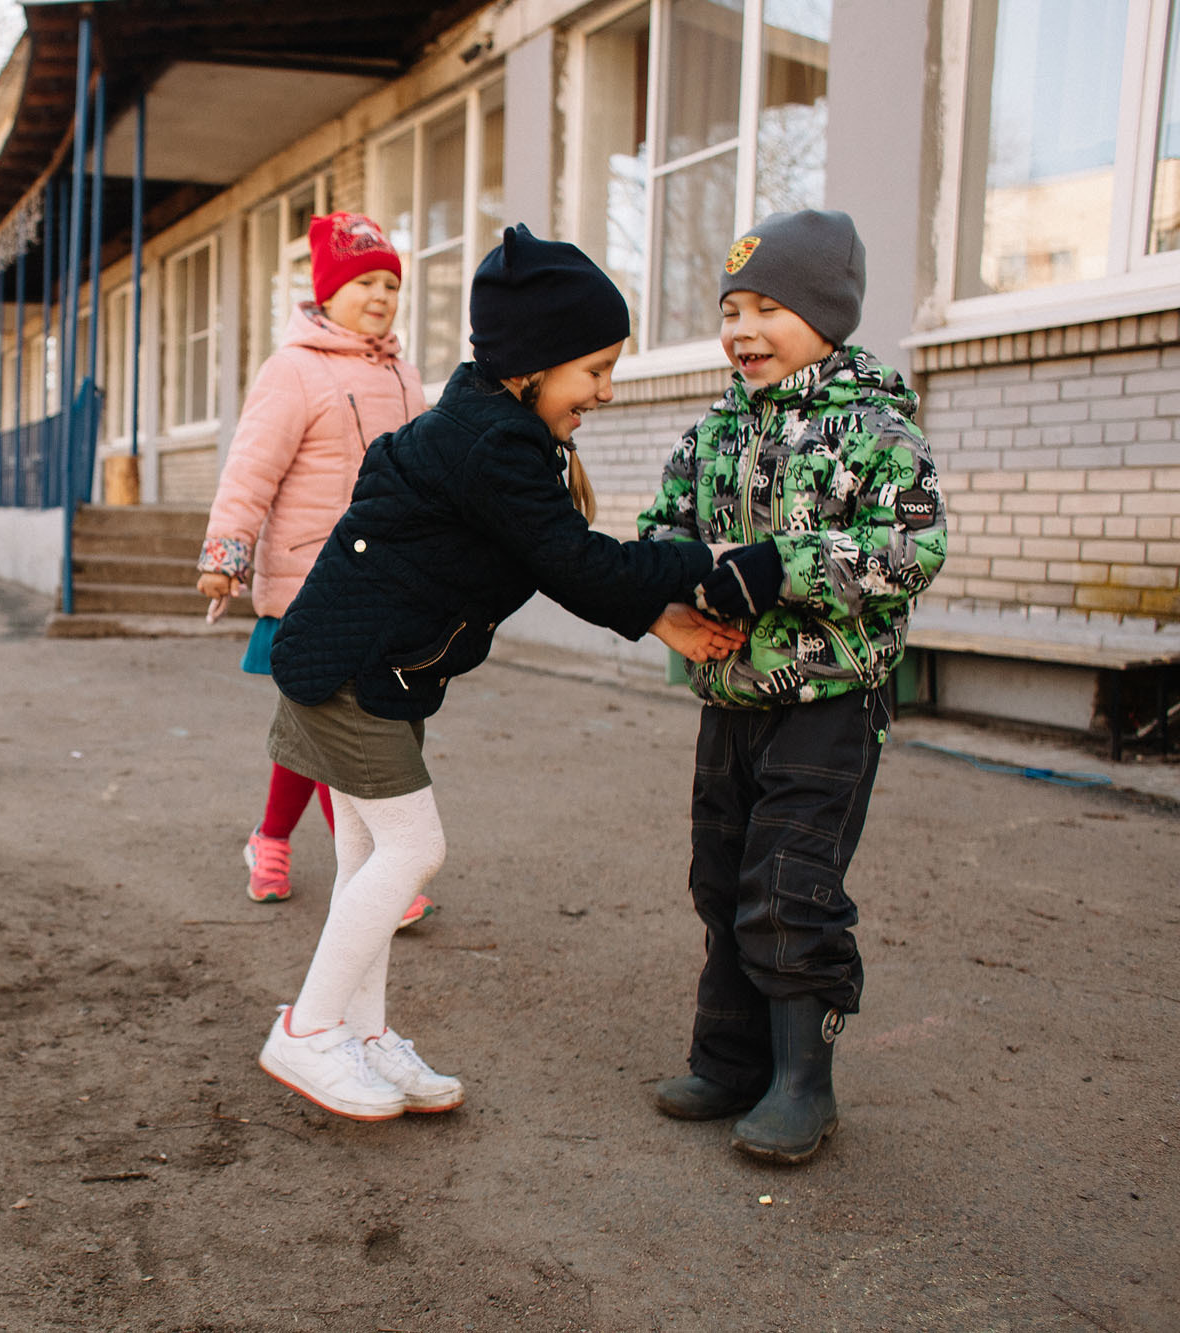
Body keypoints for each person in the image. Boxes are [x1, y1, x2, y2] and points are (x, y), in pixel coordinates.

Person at [256, 225, 743, 1121]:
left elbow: (562, 566)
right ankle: (309, 1028)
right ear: (535, 363)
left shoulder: (491, 426)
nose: (604, 388)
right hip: (352, 670)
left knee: (369, 851)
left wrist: (657, 614)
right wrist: (698, 565)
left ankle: (361, 1034)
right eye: (593, 369)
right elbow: (579, 564)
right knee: (413, 848)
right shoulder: (494, 445)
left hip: (374, 668)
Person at [638, 209, 947, 1164]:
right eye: (731, 308)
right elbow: (660, 527)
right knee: (722, 876)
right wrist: (683, 572)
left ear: (828, 312)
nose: (742, 329)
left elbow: (913, 547)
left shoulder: (875, 428)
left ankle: (803, 1083)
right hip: (729, 694)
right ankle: (729, 1061)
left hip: (829, 701)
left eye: (768, 306)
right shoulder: (713, 430)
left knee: (790, 886)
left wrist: (781, 566)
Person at [196, 212, 434, 928]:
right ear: (326, 291)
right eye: (365, 281)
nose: (381, 296)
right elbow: (250, 468)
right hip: (308, 582)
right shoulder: (292, 369)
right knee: (339, 726)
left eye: (391, 283)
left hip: (385, 583)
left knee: (312, 728)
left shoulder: (404, 373)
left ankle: (269, 839)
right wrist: (226, 554)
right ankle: (371, 872)